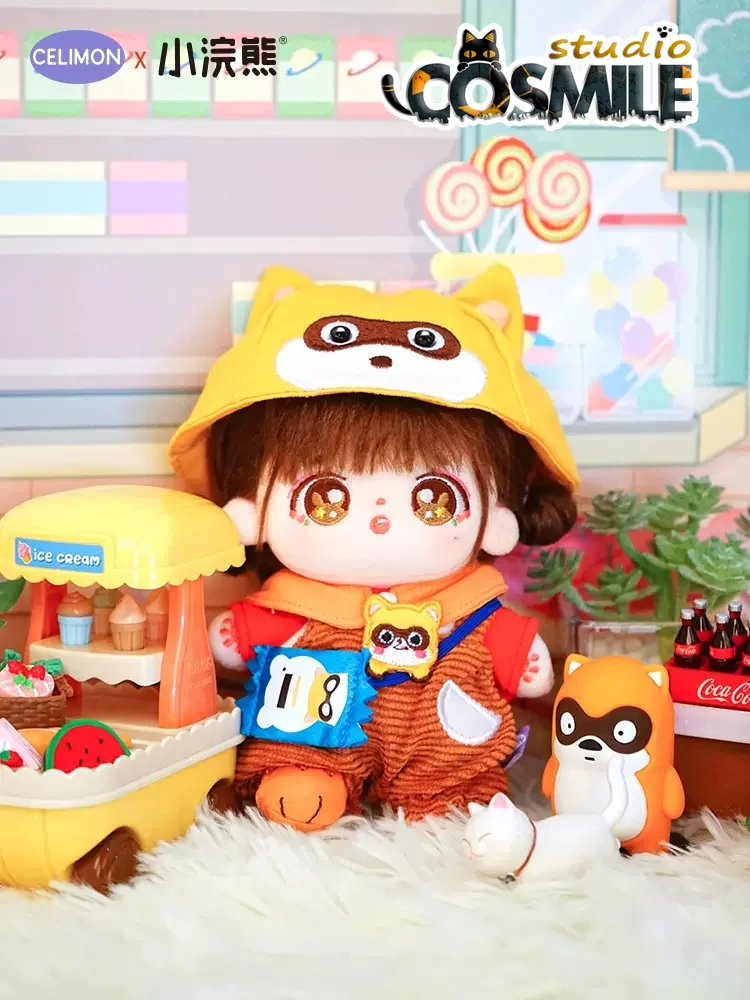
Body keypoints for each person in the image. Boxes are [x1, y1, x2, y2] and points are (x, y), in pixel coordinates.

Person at [168, 263, 579, 831]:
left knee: (457, 786)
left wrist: (518, 654)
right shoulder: (295, 607)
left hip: (443, 746)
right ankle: (305, 771)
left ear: (498, 521)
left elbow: (507, 646)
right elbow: (246, 639)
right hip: (317, 734)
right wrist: (242, 632)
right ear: (252, 512)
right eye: (326, 498)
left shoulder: (471, 609)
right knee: (298, 770)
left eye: (433, 499)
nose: (380, 520)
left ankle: (447, 791)